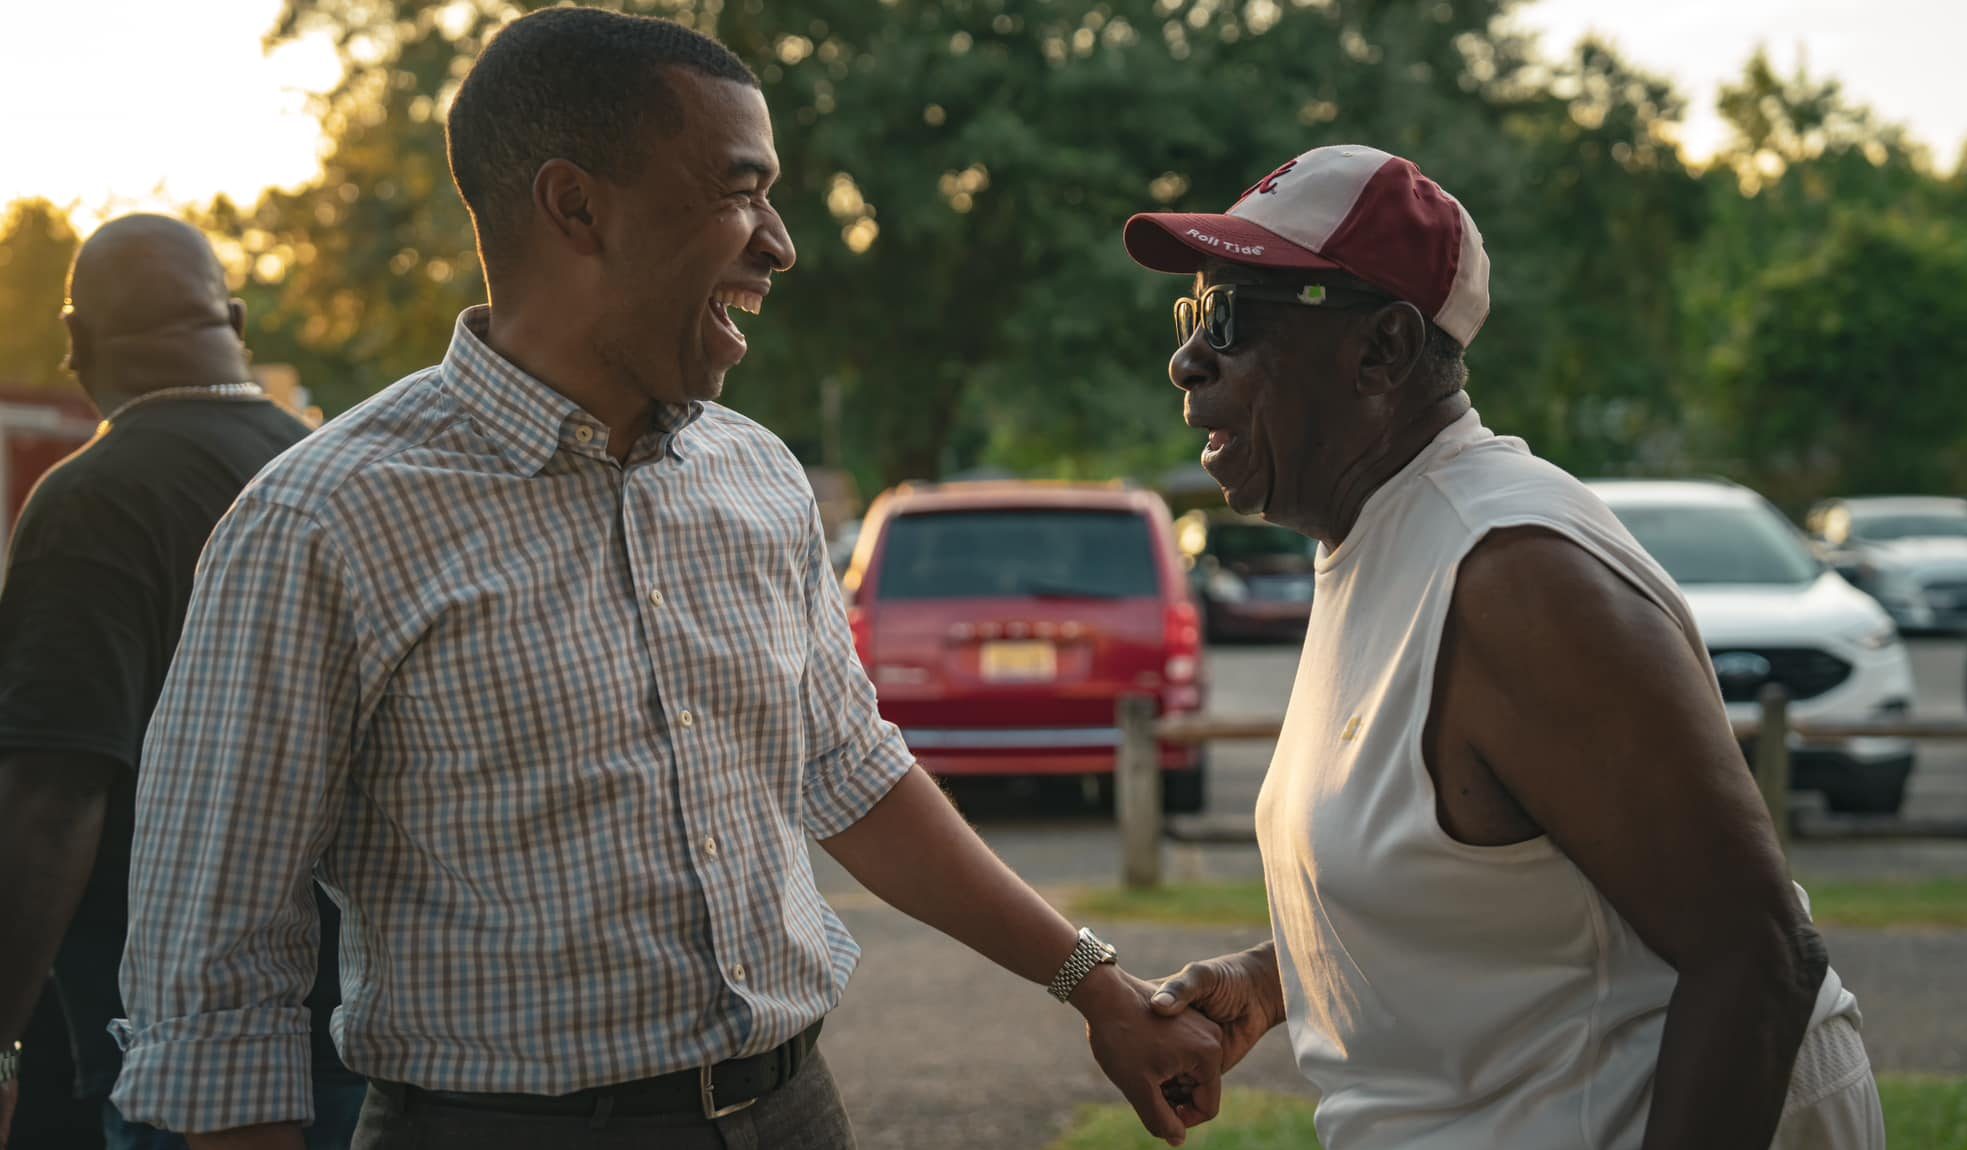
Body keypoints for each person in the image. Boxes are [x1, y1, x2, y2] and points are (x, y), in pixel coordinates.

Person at [109, 10, 1221, 1150]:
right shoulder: (321, 520)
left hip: (794, 1112)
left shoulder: (757, 479)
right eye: (740, 191)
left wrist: (1098, 987)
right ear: (576, 206)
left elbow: (852, 774)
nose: (780, 242)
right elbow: (215, 961)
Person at [1124, 146, 1883, 1149]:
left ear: (1381, 352)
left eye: (1228, 320)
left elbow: (1755, 957)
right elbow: (1489, 880)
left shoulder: (1513, 576)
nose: (1187, 360)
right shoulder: (1376, 536)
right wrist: (1273, 981)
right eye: (1191, 321)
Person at [0, 216, 364, 1149]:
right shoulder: (328, 471)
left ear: (75, 342)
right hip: (361, 1024)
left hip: (180, 1057)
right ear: (235, 321)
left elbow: (53, 793)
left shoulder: (93, 498)